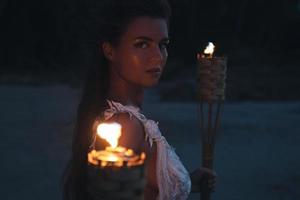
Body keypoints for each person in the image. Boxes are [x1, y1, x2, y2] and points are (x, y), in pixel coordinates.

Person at [63, 0, 217, 199]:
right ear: (110, 50)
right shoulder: (125, 127)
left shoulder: (121, 116)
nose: (157, 56)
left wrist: (185, 183)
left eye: (162, 45)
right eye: (142, 44)